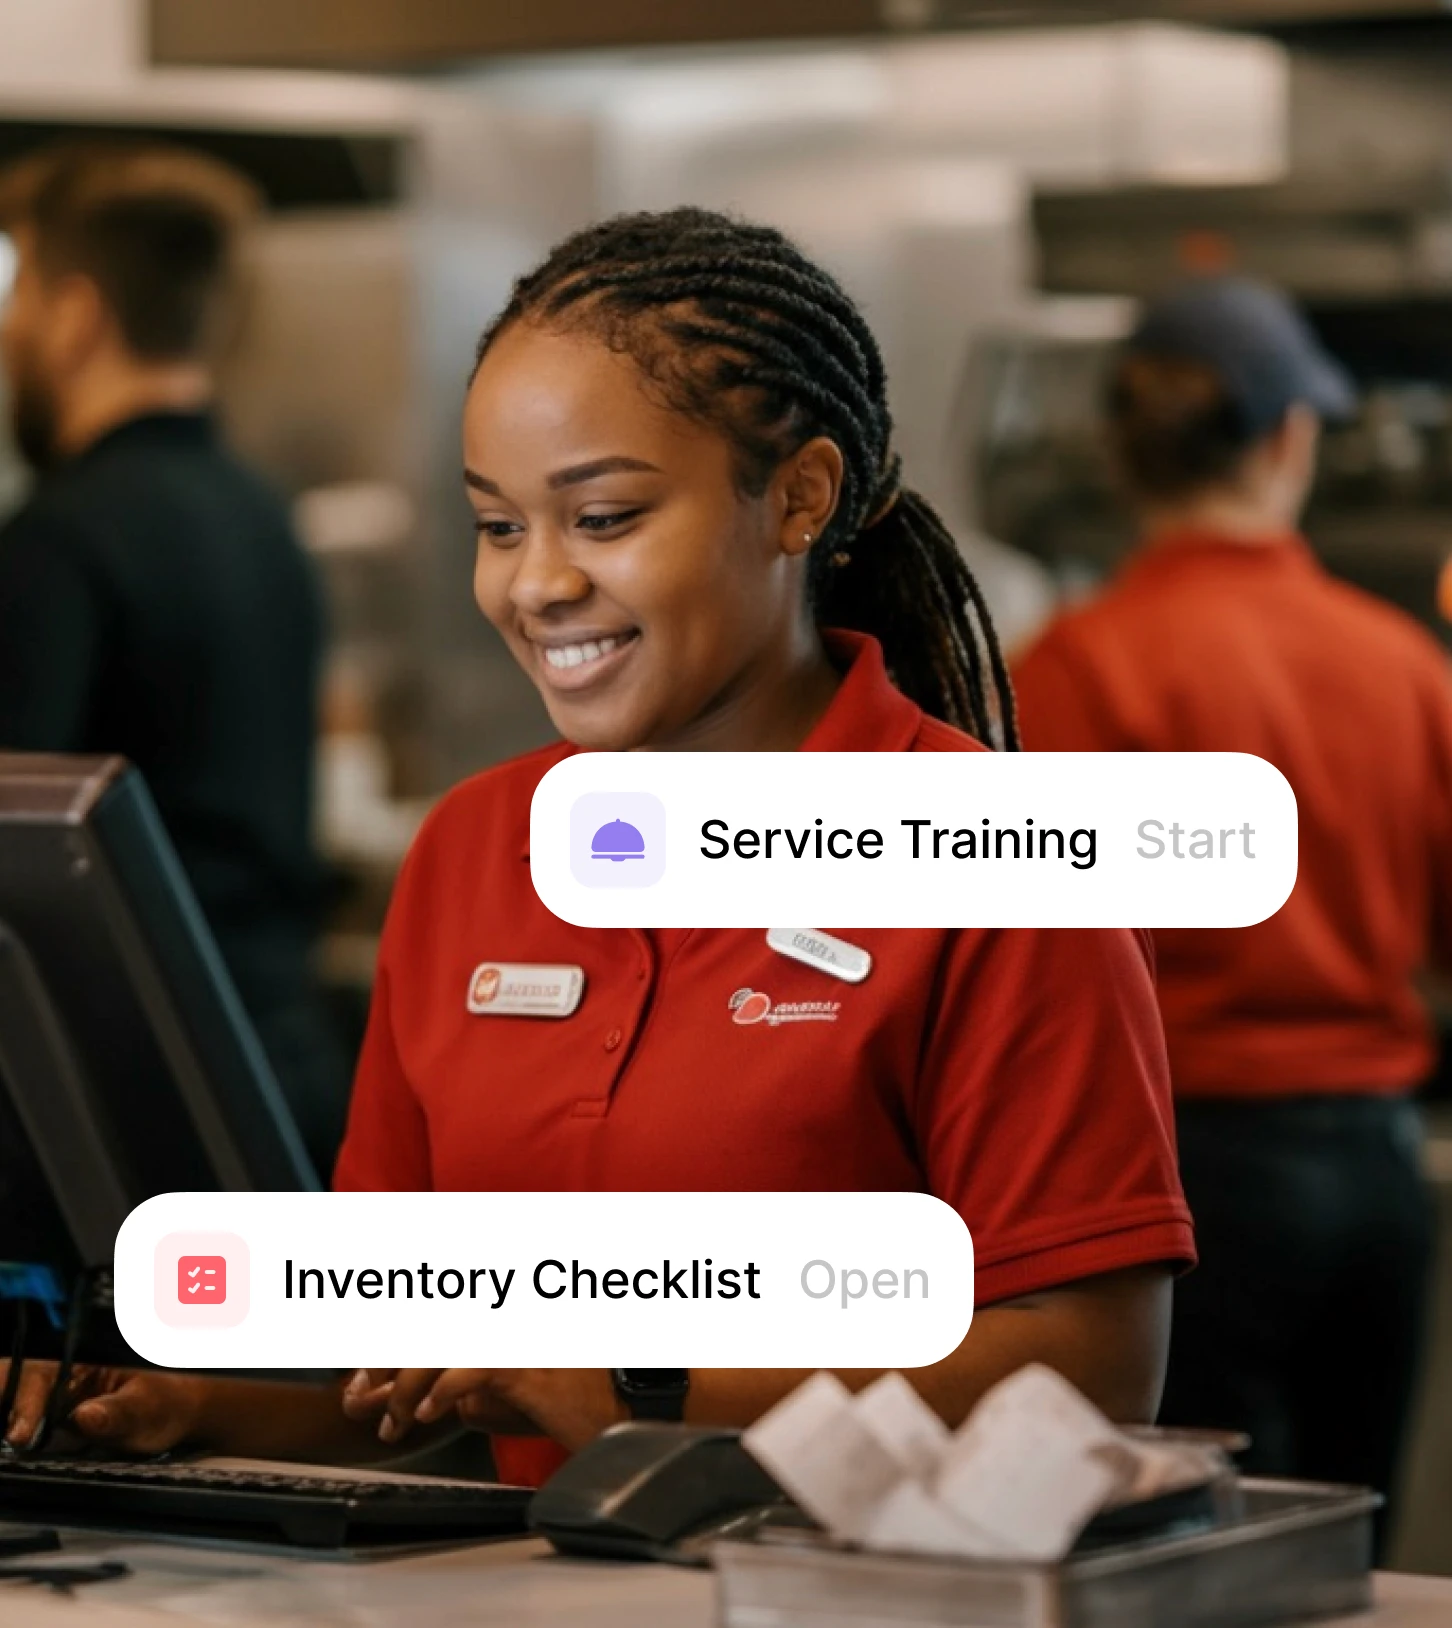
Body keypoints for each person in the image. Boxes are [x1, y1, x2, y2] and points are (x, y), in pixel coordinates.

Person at [2, 209, 1193, 1476]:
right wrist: (189, 1406)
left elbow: (1096, 1365)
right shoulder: (472, 853)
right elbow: (417, 1383)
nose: (536, 584)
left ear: (800, 497)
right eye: (500, 525)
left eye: (606, 517)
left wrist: (639, 1381)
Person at [1013, 276, 1452, 1523]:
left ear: (1120, 452)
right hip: (1375, 1171)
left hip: (1184, 1181)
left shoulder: (1074, 670)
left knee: (1199, 1544)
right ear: (1291, 440)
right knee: (1345, 1542)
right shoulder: (1405, 666)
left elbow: (1025, 968)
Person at [0, 143, 347, 1171]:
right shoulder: (261, 514)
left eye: (18, 292)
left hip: (131, 1101)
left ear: (74, 315)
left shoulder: (58, 540)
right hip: (283, 1064)